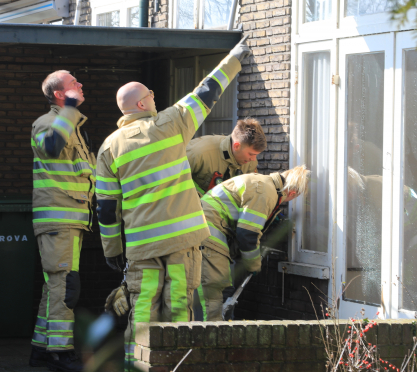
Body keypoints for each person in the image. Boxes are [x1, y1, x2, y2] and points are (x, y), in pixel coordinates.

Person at [94, 39, 251, 370]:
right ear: (141, 103)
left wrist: (112, 250)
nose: (155, 96)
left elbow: (106, 208)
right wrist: (235, 58)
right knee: (178, 307)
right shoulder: (171, 123)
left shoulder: (109, 148)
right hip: (182, 242)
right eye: (150, 93)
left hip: (142, 247)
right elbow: (207, 92)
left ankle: (137, 366)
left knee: (142, 310)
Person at [29, 70, 94, 372]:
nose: (80, 84)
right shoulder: (47, 122)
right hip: (59, 220)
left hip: (71, 221)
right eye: (73, 83)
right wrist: (70, 108)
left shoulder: (74, 127)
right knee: (65, 286)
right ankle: (60, 353)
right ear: (59, 95)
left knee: (55, 286)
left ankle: (41, 350)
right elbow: (52, 147)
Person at [194, 165, 310, 321]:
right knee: (215, 288)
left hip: (206, 223)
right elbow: (247, 234)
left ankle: (219, 329)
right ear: (292, 193)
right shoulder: (266, 192)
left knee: (222, 287)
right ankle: (210, 332)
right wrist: (253, 264)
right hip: (208, 228)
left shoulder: (264, 184)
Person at [187, 118, 267, 195]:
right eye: (251, 154)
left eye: (256, 155)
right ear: (236, 146)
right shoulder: (197, 153)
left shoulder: (250, 163)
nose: (253, 159)